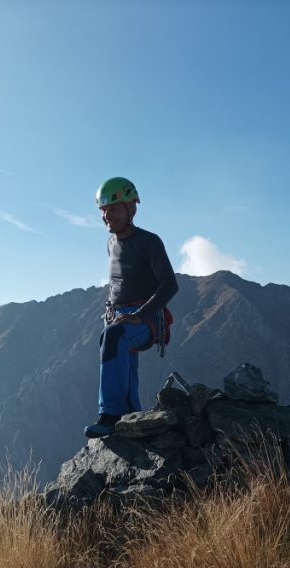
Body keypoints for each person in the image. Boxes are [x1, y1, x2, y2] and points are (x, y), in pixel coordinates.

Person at [85, 177, 178, 438]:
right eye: (103, 210)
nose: (106, 216)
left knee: (114, 339)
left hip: (145, 318)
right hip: (116, 315)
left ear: (131, 209)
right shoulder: (110, 244)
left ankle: (110, 416)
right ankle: (129, 417)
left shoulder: (149, 241)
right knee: (123, 359)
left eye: (112, 209)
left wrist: (140, 315)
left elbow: (170, 285)